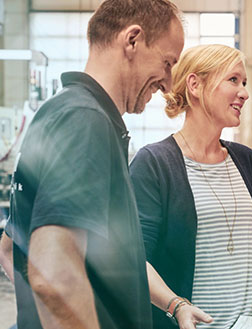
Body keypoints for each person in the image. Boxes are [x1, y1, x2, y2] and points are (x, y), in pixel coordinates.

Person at [0, 0, 184, 328]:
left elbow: (10, 248)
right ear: (132, 40)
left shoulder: (58, 110)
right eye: (167, 63)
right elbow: (54, 276)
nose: (168, 84)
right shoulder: (86, 122)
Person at [129, 44, 252, 329]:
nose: (244, 93)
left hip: (249, 323)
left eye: (245, 83)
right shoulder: (154, 163)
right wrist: (176, 306)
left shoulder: (243, 158)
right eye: (233, 80)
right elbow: (135, 258)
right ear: (195, 85)